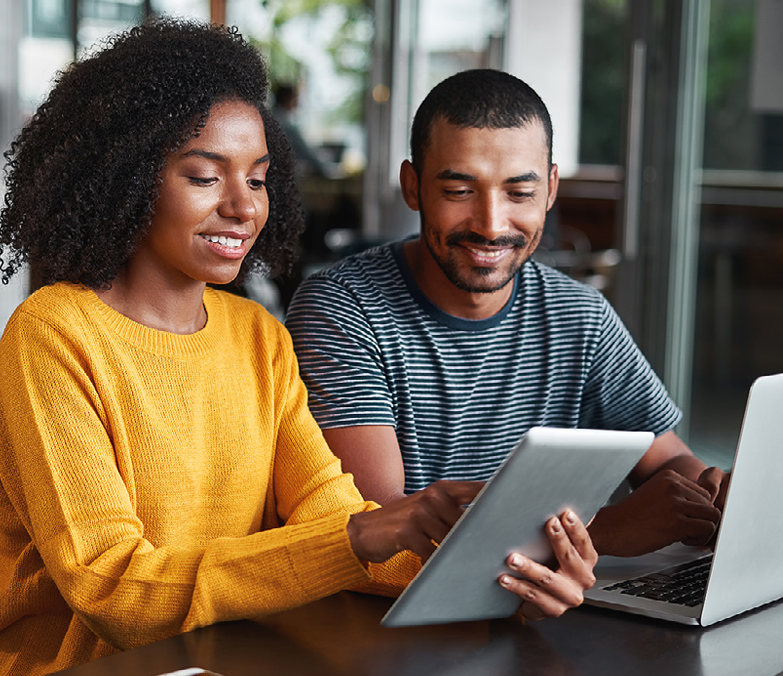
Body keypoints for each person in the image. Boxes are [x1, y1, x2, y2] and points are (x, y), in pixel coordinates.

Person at [0, 23, 597, 676]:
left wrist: (507, 578)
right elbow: (115, 591)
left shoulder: (258, 337)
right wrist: (363, 533)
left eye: (257, 178)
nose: (243, 207)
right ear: (124, 176)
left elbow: (330, 521)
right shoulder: (54, 334)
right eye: (203, 176)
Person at [286, 69, 727, 559]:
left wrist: (711, 493)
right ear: (412, 186)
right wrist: (599, 534)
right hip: (388, 622)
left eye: (520, 193)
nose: (492, 225)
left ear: (551, 189)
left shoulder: (578, 315)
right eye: (458, 191)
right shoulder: (342, 307)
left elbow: (668, 459)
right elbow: (379, 529)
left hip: (545, 610)